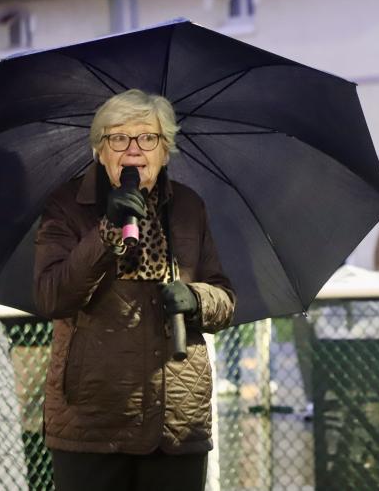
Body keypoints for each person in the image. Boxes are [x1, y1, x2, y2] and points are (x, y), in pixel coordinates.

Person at [33, 89, 235, 491]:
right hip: (91, 421)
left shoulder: (188, 207)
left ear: (165, 150)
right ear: (100, 150)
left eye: (148, 138)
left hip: (176, 420)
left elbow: (224, 297)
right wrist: (106, 232)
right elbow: (51, 295)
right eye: (118, 138)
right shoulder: (66, 205)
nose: (133, 150)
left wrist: (197, 300)